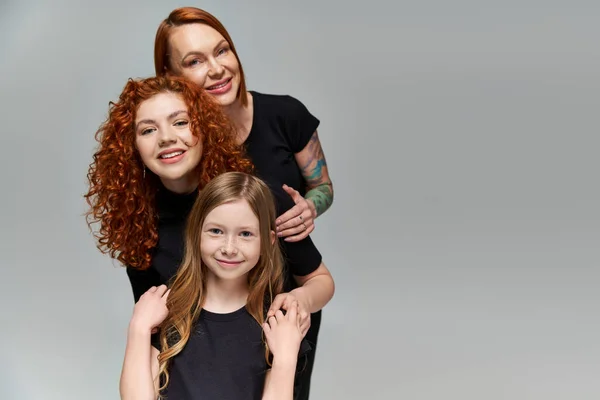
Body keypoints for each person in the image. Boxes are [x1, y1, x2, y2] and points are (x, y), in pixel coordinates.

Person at [85, 75, 334, 377]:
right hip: (192, 377)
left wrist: (298, 300)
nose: (166, 137)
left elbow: (320, 281)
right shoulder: (139, 225)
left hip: (272, 367)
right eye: (148, 130)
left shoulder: (251, 196)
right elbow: (153, 333)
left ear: (203, 127)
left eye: (179, 122)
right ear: (131, 147)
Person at [153, 8, 335, 398]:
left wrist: (310, 206)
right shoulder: (180, 144)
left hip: (282, 305)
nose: (217, 68)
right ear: (172, 77)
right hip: (204, 316)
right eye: (195, 61)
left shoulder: (285, 115)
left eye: (223, 51)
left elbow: (323, 185)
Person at [120, 172, 307, 399]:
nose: (229, 248)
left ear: (268, 241)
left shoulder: (275, 321)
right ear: (196, 232)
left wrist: (286, 360)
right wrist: (138, 329)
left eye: (246, 234)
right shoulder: (169, 311)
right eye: (216, 231)